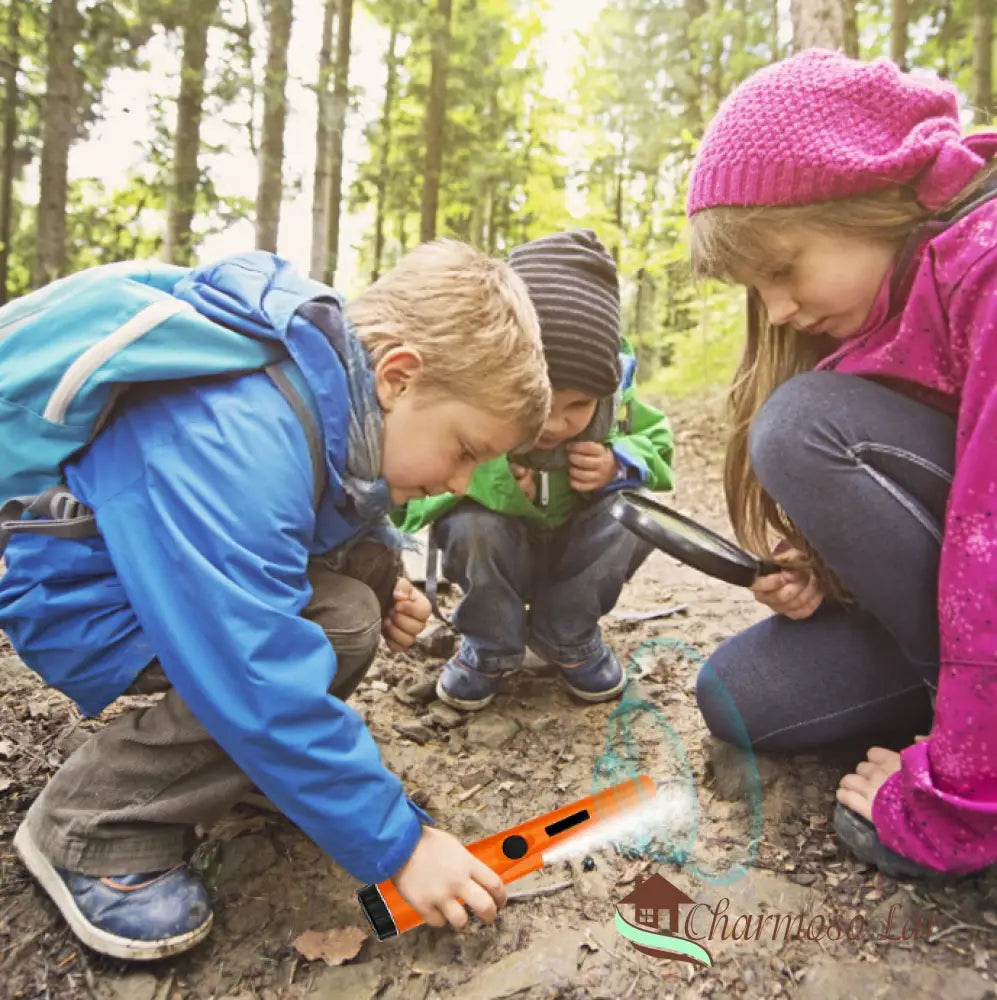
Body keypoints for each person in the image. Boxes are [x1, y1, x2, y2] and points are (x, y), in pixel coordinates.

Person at [0, 241, 551, 959]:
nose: (461, 484)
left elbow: (335, 499)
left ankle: (250, 770)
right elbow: (253, 669)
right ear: (398, 377)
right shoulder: (236, 435)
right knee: (324, 633)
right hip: (74, 596)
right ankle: (91, 823)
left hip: (132, 570)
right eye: (466, 449)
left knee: (353, 602)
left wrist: (386, 573)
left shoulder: (316, 390)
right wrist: (400, 845)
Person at [685, 49, 997, 879]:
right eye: (758, 290)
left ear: (865, 196)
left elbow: (988, 544)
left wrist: (955, 798)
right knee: (737, 698)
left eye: (782, 270)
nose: (780, 308)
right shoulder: (890, 314)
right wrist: (837, 566)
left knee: (797, 427)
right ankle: (953, 718)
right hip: (954, 634)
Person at [395, 230, 674, 711]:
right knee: (472, 525)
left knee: (637, 512)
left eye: (579, 405)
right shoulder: (472, 414)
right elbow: (412, 505)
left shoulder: (616, 405)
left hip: (576, 554)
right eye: (541, 400)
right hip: (500, 557)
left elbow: (660, 450)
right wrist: (492, 480)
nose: (557, 422)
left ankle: (567, 633)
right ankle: (491, 642)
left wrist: (619, 463)